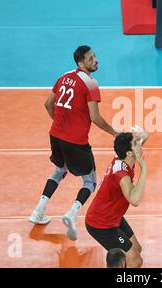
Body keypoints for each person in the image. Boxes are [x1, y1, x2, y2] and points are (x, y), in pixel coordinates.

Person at [29, 45, 119, 242]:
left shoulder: (65, 75)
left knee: (60, 170)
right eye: (90, 58)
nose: (95, 60)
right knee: (90, 181)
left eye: (95, 56)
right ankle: (72, 213)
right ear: (81, 63)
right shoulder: (91, 83)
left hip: (55, 136)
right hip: (76, 142)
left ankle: (38, 210)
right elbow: (95, 117)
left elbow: (47, 104)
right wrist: (115, 132)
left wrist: (59, 124)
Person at [85, 128, 149, 268]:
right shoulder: (121, 175)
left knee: (137, 251)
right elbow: (135, 200)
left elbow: (143, 137)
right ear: (129, 153)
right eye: (136, 144)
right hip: (101, 224)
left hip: (113, 216)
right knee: (135, 261)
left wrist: (143, 134)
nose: (140, 145)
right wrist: (143, 168)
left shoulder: (121, 156)